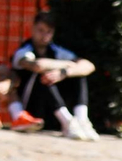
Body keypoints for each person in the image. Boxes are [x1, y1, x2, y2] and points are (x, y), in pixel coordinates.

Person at [7, 11, 98, 141]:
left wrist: (64, 73)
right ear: (32, 29)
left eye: (48, 31)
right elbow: (38, 65)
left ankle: (82, 120)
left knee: (78, 75)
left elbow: (89, 66)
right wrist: (68, 64)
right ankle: (67, 121)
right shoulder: (23, 51)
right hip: (31, 108)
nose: (44, 35)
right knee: (46, 75)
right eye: (40, 30)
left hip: (51, 109)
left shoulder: (57, 50)